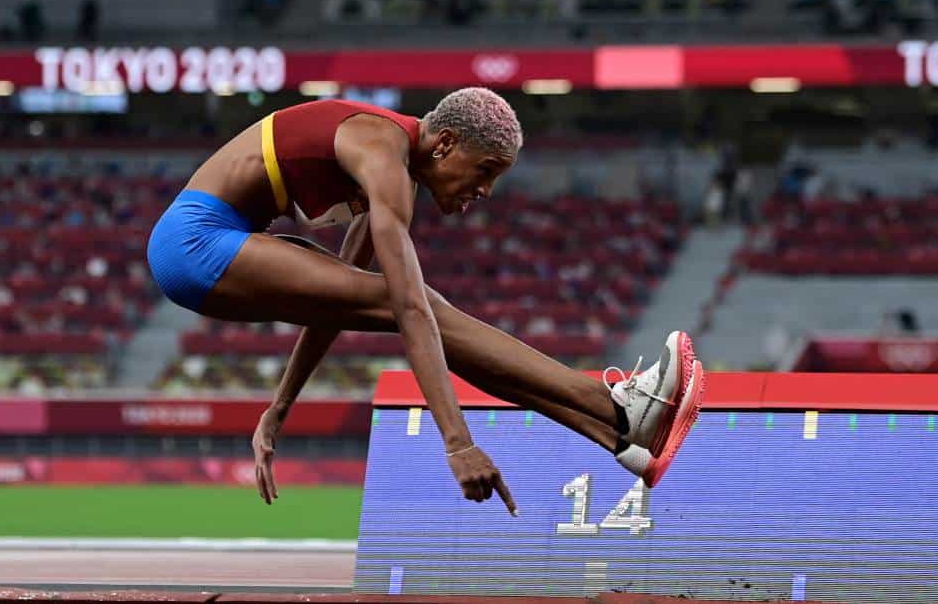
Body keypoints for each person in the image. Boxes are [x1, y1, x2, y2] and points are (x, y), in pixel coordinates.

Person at [146, 88, 706, 514]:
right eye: (485, 171)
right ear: (444, 145)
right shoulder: (379, 151)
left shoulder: (389, 177)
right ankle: (618, 409)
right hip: (194, 243)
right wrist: (458, 444)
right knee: (421, 303)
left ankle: (620, 437)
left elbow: (334, 307)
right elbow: (409, 309)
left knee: (409, 304)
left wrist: (279, 409)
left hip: (211, 247)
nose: (485, 192)